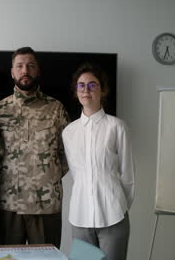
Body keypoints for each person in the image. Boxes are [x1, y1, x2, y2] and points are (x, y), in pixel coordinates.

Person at [0, 47, 69, 248]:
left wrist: (47, 177)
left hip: (46, 204)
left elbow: (69, 154)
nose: (25, 70)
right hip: (9, 204)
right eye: (20, 66)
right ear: (12, 72)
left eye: (31, 66)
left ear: (38, 71)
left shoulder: (56, 109)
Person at [62, 63, 135, 260]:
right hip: (80, 216)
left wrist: (118, 205)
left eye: (92, 85)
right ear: (76, 91)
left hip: (113, 216)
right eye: (81, 85)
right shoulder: (68, 132)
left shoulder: (117, 127)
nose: (86, 90)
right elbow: (78, 175)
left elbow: (128, 177)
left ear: (102, 90)